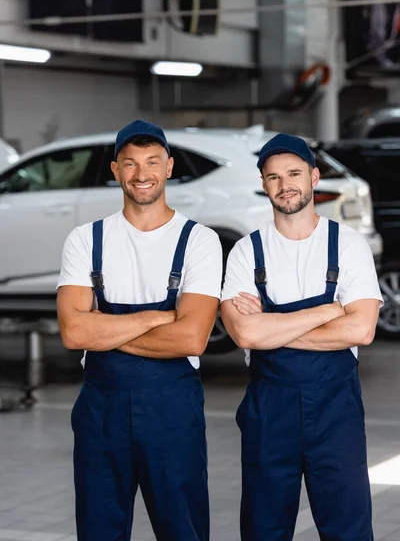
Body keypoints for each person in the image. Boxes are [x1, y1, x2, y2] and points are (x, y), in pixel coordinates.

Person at [57, 119, 222, 541]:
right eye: (130, 164)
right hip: (101, 410)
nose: (141, 173)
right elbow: (75, 334)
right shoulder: (85, 239)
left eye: (152, 162)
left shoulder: (199, 240)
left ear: (169, 167)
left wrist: (105, 328)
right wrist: (158, 317)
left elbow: (192, 339)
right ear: (116, 171)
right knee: (98, 530)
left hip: (172, 410)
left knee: (182, 530)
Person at [221, 133, 382, 541]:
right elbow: (243, 332)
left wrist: (271, 326)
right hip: (268, 412)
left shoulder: (347, 245)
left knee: (348, 528)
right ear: (263, 184)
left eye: (294, 173)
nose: (284, 184)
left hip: (335, 412)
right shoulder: (245, 252)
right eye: (273, 177)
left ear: (313, 176)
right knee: (263, 529)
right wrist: (328, 312)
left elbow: (361, 328)